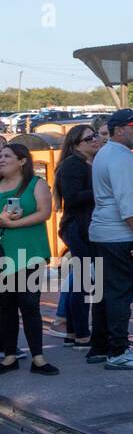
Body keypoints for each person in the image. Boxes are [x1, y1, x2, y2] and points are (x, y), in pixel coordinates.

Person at [88, 109, 133, 369]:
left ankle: (101, 346)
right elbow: (125, 200)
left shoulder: (108, 154)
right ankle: (118, 351)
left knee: (107, 293)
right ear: (119, 130)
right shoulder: (119, 158)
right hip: (120, 236)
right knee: (120, 293)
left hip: (108, 234)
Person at [0, 143, 57, 375]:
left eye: (6, 156)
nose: (1, 159)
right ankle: (10, 356)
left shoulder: (37, 183)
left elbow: (45, 212)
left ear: (22, 161)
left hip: (30, 253)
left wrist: (12, 223)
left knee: (30, 304)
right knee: (5, 307)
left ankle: (38, 358)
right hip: (4, 254)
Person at [52, 124, 99, 348]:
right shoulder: (73, 165)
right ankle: (81, 333)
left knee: (80, 281)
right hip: (78, 228)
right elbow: (72, 198)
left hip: (83, 227)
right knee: (83, 282)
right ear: (76, 144)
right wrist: (101, 189)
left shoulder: (87, 163)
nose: (95, 140)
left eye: (95, 136)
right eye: (89, 138)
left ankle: (73, 332)